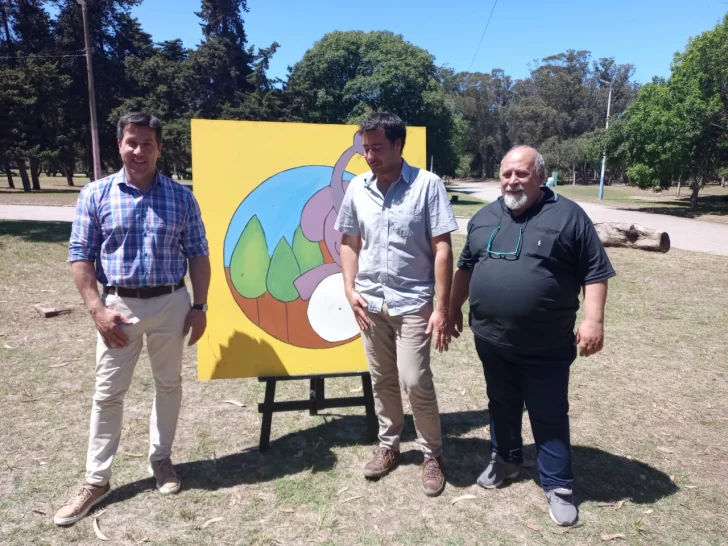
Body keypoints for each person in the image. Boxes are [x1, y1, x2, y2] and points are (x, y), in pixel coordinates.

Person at [54, 112, 211, 526]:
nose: (138, 151)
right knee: (107, 394)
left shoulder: (181, 197)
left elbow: (198, 253)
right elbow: (80, 255)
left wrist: (200, 306)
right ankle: (96, 479)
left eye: (147, 143)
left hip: (171, 303)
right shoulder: (96, 194)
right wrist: (96, 309)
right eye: (131, 142)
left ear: (160, 148)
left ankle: (161, 459)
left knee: (169, 384)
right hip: (118, 307)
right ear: (119, 145)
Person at [449, 145, 615, 526]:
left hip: (547, 343)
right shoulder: (485, 217)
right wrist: (452, 308)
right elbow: (466, 268)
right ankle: (506, 461)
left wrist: (593, 322)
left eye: (521, 173)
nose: (512, 180)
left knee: (548, 411)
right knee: (500, 403)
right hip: (491, 338)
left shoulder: (569, 216)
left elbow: (594, 273)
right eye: (507, 173)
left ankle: (558, 485)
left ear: (540, 176)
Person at [334, 112, 458, 497]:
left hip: (414, 303)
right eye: (365, 148)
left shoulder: (427, 185)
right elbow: (349, 242)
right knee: (382, 379)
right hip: (370, 303)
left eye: (377, 148)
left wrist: (441, 308)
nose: (369, 155)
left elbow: (442, 248)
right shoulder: (358, 188)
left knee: (415, 379)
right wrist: (349, 289)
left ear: (399, 145)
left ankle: (432, 454)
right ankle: (389, 446)